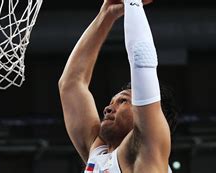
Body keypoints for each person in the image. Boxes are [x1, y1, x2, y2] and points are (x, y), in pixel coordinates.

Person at [58, 0, 177, 172]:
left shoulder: (149, 150)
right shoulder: (99, 153)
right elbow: (71, 84)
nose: (107, 108)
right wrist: (107, 14)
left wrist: (132, 2)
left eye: (123, 101)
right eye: (113, 101)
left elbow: (142, 61)